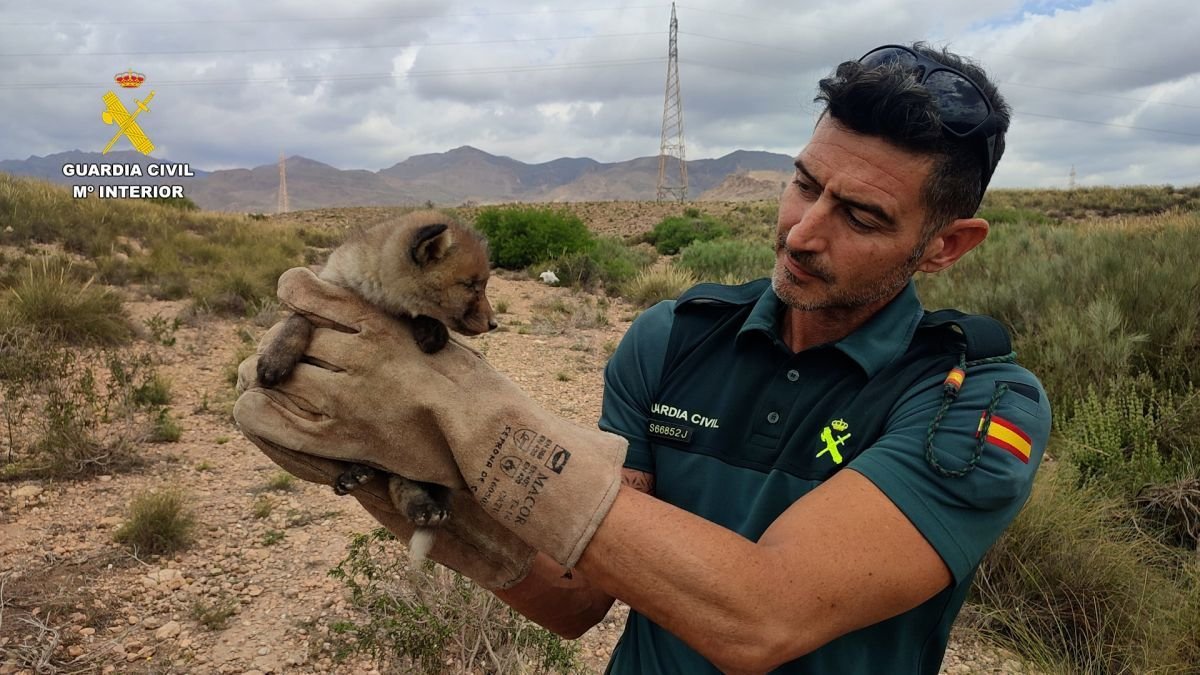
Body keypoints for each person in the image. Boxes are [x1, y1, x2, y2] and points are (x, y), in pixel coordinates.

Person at [235, 42, 1050, 674]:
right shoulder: (672, 338)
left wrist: (483, 422)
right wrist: (387, 468)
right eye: (804, 184)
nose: (802, 231)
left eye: (862, 217)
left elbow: (762, 615)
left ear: (945, 245)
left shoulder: (973, 402)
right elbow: (577, 594)